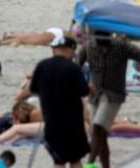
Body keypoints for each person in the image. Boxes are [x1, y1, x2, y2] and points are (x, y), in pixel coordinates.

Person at [78, 32, 140, 168]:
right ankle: (105, 166)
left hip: (113, 95)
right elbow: (76, 65)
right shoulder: (88, 46)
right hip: (95, 95)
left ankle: (89, 163)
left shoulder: (121, 45)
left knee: (98, 126)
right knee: (100, 135)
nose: (101, 45)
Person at [20, 37, 90, 168]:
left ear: (54, 50)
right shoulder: (73, 68)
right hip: (72, 124)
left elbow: (33, 89)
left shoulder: (42, 65)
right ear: (71, 50)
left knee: (59, 161)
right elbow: (84, 91)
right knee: (75, 160)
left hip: (51, 123)